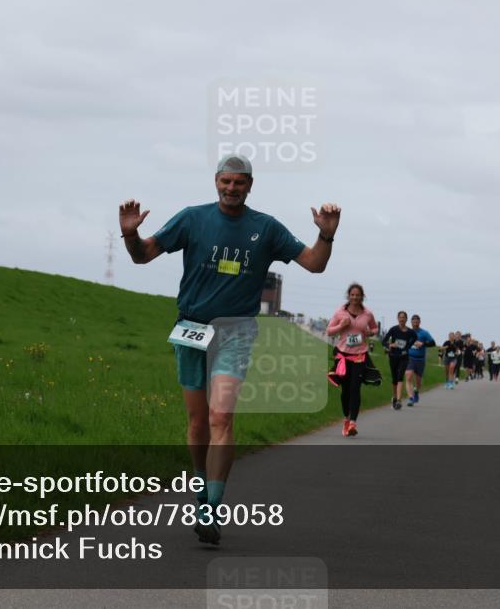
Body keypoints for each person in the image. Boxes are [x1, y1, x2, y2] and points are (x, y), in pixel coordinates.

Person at [119, 154, 341, 545]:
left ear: (250, 186)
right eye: (226, 182)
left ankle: (211, 509)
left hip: (236, 331)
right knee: (198, 423)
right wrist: (130, 234)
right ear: (216, 182)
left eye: (239, 183)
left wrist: (325, 235)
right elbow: (144, 255)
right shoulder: (193, 218)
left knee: (221, 417)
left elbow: (314, 265)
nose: (231, 188)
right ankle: (201, 486)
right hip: (191, 327)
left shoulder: (265, 227)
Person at [327, 284, 379, 436]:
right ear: (348, 296)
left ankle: (353, 423)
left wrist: (369, 332)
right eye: (353, 295)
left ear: (362, 296)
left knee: (355, 388)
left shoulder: (367, 314)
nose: (355, 297)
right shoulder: (340, 312)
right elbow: (329, 331)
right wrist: (341, 326)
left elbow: (375, 329)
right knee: (346, 391)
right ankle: (346, 418)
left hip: (359, 356)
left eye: (358, 295)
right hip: (343, 356)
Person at [382, 310, 416, 410]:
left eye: (404, 317)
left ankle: (399, 400)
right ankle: (395, 396)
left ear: (406, 319)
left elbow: (414, 338)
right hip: (393, 356)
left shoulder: (410, 332)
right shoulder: (393, 329)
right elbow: (383, 341)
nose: (402, 319)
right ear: (398, 318)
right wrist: (390, 345)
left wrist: (408, 346)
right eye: (400, 317)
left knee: (400, 376)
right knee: (394, 378)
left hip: (404, 357)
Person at [404, 315, 436, 405]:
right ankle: (410, 398)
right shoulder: (407, 332)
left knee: (418, 381)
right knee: (408, 376)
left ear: (419, 322)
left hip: (420, 359)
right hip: (409, 357)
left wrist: (423, 344)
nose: (415, 323)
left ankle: (416, 392)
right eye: (413, 322)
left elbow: (433, 343)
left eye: (417, 322)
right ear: (411, 322)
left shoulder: (424, 333)